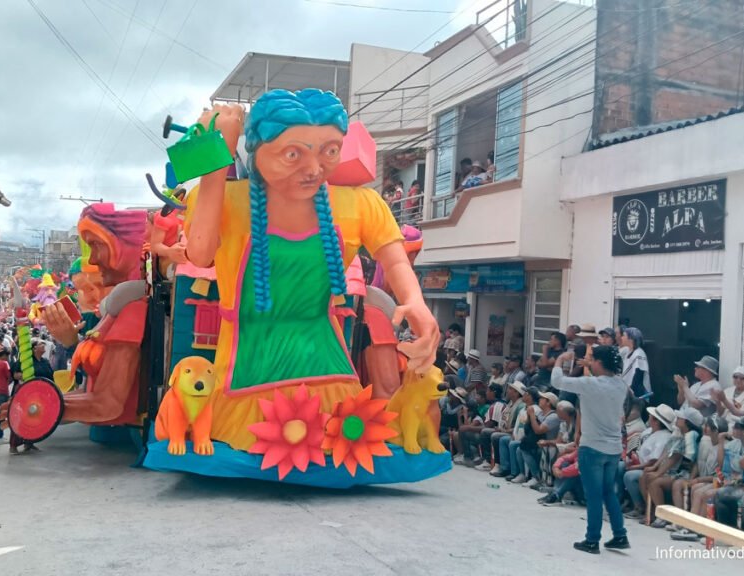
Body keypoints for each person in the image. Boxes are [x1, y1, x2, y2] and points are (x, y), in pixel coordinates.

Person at [186, 92, 439, 452]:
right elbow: (199, 252)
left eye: (329, 151)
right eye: (293, 154)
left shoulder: (359, 204)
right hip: (246, 365)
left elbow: (395, 259)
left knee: (340, 443)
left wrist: (415, 301)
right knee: (252, 446)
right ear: (257, 152)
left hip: (325, 364)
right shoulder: (227, 200)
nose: (314, 169)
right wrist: (214, 167)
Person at [551, 345, 630, 554]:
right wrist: (589, 364)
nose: (590, 362)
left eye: (592, 360)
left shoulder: (590, 384)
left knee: (593, 495)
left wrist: (560, 360)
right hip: (613, 448)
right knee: (608, 493)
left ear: (599, 363)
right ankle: (620, 535)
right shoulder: (621, 385)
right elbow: (602, 375)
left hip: (592, 446)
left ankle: (592, 539)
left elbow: (557, 381)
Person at [641, 407, 703, 528]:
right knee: (644, 477)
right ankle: (653, 511)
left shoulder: (690, 436)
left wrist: (658, 473)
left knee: (655, 482)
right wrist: (655, 467)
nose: (677, 418)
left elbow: (675, 456)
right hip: (673, 470)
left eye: (681, 418)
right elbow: (667, 451)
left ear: (687, 422)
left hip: (684, 473)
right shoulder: (678, 432)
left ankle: (664, 516)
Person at [621, 403, 676, 518]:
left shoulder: (664, 437)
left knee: (630, 476)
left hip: (649, 468)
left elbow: (653, 461)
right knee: (619, 467)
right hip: (638, 463)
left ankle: (640, 507)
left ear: (656, 420)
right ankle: (620, 500)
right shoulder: (648, 432)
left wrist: (634, 467)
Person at [520, 391, 561, 487]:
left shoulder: (553, 416)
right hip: (540, 442)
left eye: (542, 398)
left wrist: (532, 415)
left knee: (525, 446)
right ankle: (524, 475)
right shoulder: (541, 413)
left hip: (550, 444)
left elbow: (538, 430)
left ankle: (536, 477)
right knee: (520, 447)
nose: (539, 399)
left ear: (548, 402)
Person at [489, 381, 525, 476]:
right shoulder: (510, 403)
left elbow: (518, 427)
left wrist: (504, 431)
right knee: (487, 432)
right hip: (506, 430)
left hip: (514, 433)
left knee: (496, 436)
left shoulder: (520, 406)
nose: (507, 391)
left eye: (510, 389)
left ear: (516, 393)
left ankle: (501, 465)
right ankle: (491, 462)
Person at [620, 327, 651, 399]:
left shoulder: (639, 354)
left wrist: (630, 390)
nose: (621, 337)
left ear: (631, 339)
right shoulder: (628, 352)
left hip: (636, 394)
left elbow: (638, 377)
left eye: (624, 335)